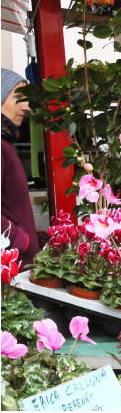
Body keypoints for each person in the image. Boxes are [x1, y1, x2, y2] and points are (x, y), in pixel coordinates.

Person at [1, 68, 39, 268]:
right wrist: (19, 239)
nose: (26, 107)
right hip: (11, 270)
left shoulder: (5, 142)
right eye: (18, 97)